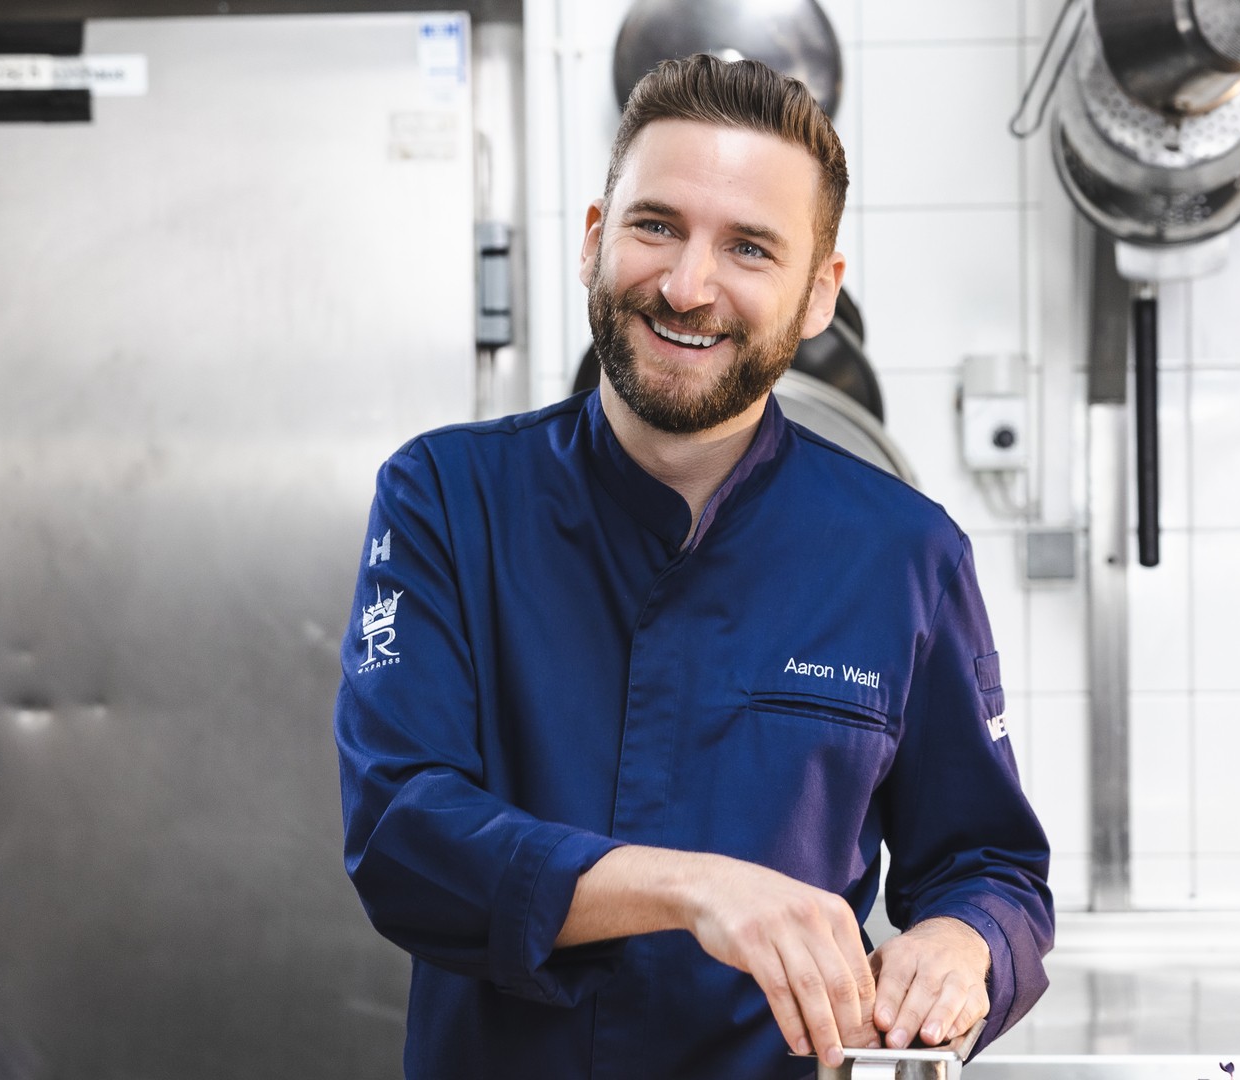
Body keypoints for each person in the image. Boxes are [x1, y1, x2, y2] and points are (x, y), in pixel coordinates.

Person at [335, 54, 1053, 1079]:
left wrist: (961, 941)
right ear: (594, 239)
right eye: (656, 226)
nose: (685, 286)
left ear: (818, 294)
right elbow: (403, 832)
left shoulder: (904, 553)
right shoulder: (447, 499)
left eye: (749, 248)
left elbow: (990, 864)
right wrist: (692, 889)